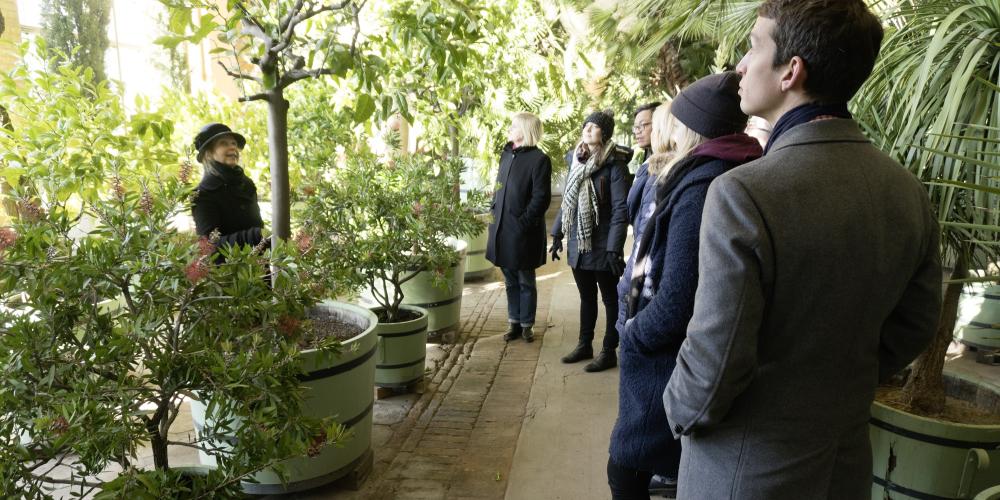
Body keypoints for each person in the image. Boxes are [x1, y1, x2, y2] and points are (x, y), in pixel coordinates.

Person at [663, 2, 942, 499]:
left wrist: (676, 409)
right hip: (845, 467)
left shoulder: (744, 193)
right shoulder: (906, 191)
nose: (741, 66)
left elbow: (715, 361)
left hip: (743, 472)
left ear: (792, 71)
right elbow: (916, 323)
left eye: (753, 46)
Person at [609, 73, 762, 500]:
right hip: (679, 360)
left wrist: (633, 335)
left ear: (691, 127)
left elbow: (678, 297)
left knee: (627, 471)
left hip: (668, 363)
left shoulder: (702, 184)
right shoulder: (721, 170)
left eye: (674, 119)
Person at [550, 110, 631, 372]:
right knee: (586, 296)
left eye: (595, 126)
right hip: (578, 242)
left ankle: (609, 350)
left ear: (605, 134)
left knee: (609, 297)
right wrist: (557, 234)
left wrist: (614, 249)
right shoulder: (576, 161)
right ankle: (585, 344)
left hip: (603, 243)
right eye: (587, 125)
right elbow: (568, 203)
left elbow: (621, 210)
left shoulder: (615, 166)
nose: (588, 129)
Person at [486, 112, 553, 343]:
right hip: (502, 228)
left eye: (513, 126)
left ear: (524, 131)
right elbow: (499, 187)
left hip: (523, 231)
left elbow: (541, 198)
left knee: (525, 278)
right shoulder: (506, 155)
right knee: (509, 278)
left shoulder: (539, 159)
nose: (509, 129)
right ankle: (513, 321)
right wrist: (493, 207)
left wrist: (524, 222)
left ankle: (527, 324)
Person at [191, 123, 265, 250]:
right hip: (227, 268)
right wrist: (255, 236)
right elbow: (209, 246)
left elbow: (258, 225)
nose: (232, 148)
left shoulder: (247, 185)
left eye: (234, 143)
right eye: (224, 143)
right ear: (209, 153)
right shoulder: (202, 194)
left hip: (259, 266)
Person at [626, 102, 661, 180]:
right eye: (636, 127)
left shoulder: (669, 164)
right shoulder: (647, 156)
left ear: (660, 124)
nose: (637, 131)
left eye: (643, 125)